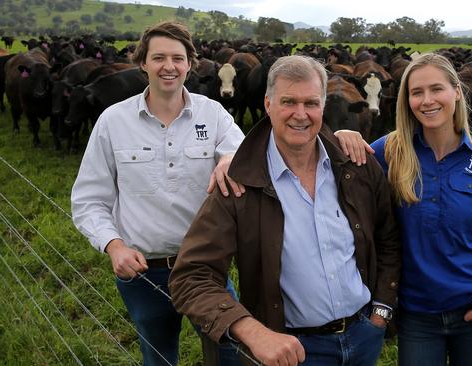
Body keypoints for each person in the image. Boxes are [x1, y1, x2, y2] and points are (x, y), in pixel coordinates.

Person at [168, 55, 402, 366]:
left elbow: (389, 238)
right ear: (267, 104)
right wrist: (250, 330)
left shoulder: (355, 165)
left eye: (311, 103)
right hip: (292, 349)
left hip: (363, 336)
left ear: (323, 105)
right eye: (288, 101)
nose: (300, 115)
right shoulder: (240, 183)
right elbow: (191, 276)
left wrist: (382, 310)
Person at [71, 21, 246, 366]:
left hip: (204, 267)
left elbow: (243, 154)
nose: (169, 67)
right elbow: (89, 199)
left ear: (190, 64)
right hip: (142, 271)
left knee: (230, 351)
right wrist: (114, 246)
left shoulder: (213, 114)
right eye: (159, 57)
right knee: (159, 357)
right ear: (143, 63)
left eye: (178, 58)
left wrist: (230, 158)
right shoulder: (113, 121)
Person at [369, 53, 472, 366]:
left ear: (456, 91)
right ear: (407, 101)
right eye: (417, 93)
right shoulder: (388, 151)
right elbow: (337, 163)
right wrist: (342, 136)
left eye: (436, 89)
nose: (427, 100)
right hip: (417, 312)